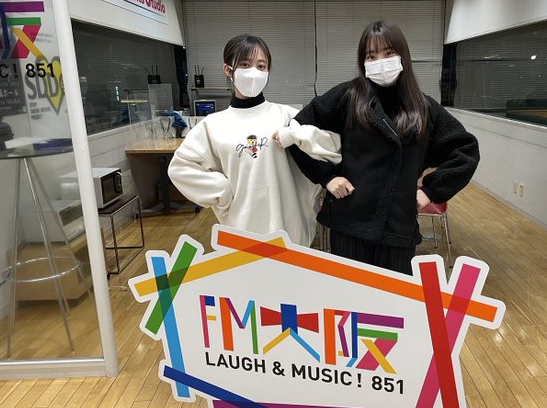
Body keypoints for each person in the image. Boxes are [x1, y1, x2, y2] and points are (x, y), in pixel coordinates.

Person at [276, 20, 479, 275]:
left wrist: (431, 190)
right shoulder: (348, 96)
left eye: (388, 53)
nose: (380, 61)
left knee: (393, 298)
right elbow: (294, 132)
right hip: (350, 221)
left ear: (402, 56)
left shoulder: (424, 107)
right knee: (349, 296)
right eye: (371, 56)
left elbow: (466, 150)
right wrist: (327, 177)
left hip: (398, 226)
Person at [168, 34, 340, 247]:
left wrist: (298, 136)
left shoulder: (287, 116)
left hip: (290, 230)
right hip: (241, 230)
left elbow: (331, 146)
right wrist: (222, 192)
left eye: (261, 66)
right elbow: (180, 168)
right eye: (245, 64)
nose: (254, 72)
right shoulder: (213, 125)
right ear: (228, 70)